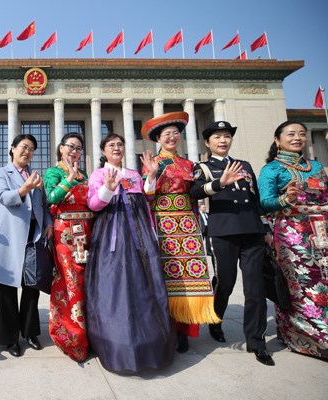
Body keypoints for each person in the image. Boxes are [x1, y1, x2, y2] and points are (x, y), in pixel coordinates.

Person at [86, 133, 176, 374]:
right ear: (103, 151)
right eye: (111, 145)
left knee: (144, 283)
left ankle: (151, 340)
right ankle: (117, 341)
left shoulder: (134, 174)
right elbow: (94, 204)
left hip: (140, 235)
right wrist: (107, 188)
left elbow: (148, 196)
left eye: (120, 144)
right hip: (112, 235)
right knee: (116, 284)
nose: (116, 148)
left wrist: (152, 176)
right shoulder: (98, 174)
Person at [190, 121, 274, 366]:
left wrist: (265, 227)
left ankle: (256, 341)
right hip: (223, 231)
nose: (222, 140)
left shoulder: (245, 165)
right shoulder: (203, 167)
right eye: (217, 137)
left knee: (255, 287)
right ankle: (216, 321)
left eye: (226, 136)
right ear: (208, 143)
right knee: (225, 283)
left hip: (251, 231)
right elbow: (195, 192)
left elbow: (255, 199)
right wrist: (220, 183)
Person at [258, 120, 328, 361]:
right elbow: (265, 203)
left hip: (326, 235)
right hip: (292, 236)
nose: (297, 138)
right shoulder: (271, 170)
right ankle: (305, 336)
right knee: (300, 285)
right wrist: (287, 198)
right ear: (277, 140)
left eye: (302, 134)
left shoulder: (315, 165)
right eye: (291, 134)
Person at [140, 112, 220, 354]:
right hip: (164, 223)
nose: (172, 137)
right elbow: (148, 196)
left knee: (191, 278)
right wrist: (152, 175)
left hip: (187, 224)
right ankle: (169, 327)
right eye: (167, 134)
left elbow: (196, 193)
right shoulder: (152, 162)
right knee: (167, 277)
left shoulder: (189, 165)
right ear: (158, 139)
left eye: (175, 133)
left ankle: (186, 330)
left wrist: (218, 185)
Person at [0, 134, 53, 358]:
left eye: (32, 149)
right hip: (11, 237)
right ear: (12, 148)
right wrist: (24, 189)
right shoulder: (1, 172)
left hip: (33, 238)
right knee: (6, 289)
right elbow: (3, 197)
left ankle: (31, 332)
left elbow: (43, 203)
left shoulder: (36, 176)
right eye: (24, 147)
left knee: (32, 288)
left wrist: (48, 223)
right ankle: (10, 338)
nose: (27, 152)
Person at [43, 133, 94, 362]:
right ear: (61, 148)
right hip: (65, 234)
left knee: (87, 281)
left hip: (88, 231)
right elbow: (52, 197)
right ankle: (72, 336)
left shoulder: (86, 174)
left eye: (78, 148)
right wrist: (69, 179)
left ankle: (92, 333)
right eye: (70, 146)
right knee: (70, 281)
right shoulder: (53, 172)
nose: (74, 151)